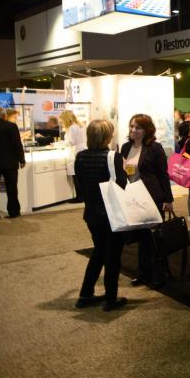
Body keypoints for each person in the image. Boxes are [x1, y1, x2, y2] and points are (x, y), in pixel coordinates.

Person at [74, 120, 129, 311]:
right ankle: (111, 299)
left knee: (98, 252)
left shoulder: (80, 157)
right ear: (107, 136)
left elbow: (81, 185)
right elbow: (121, 185)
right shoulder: (113, 157)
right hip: (111, 214)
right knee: (112, 256)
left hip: (91, 213)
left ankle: (85, 294)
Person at [120, 114, 174, 287]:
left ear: (146, 130)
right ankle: (143, 274)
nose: (133, 130)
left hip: (152, 197)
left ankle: (158, 276)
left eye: (138, 127)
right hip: (133, 197)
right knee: (141, 238)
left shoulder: (154, 148)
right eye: (132, 126)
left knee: (154, 238)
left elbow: (163, 174)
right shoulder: (125, 147)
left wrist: (168, 199)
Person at [0, 106, 25, 219]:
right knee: (12, 188)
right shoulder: (11, 126)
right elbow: (17, 144)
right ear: (4, 115)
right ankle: (14, 211)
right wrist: (21, 159)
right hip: (10, 163)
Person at [59, 110, 86, 203]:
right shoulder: (80, 126)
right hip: (81, 151)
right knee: (80, 176)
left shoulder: (72, 128)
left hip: (75, 153)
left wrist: (61, 144)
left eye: (62, 121)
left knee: (76, 176)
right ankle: (82, 196)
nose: (61, 123)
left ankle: (79, 197)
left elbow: (70, 142)